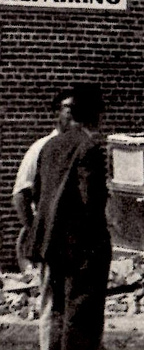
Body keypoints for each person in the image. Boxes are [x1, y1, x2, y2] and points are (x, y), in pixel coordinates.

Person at [30, 83, 111, 350]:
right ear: (91, 115)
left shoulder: (48, 147)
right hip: (81, 249)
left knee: (58, 313)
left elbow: (38, 193)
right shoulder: (89, 148)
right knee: (82, 317)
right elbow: (92, 202)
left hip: (51, 247)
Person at [12, 89, 75, 350]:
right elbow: (20, 194)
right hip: (54, 239)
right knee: (53, 301)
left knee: (77, 305)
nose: (74, 116)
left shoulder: (80, 147)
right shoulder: (41, 148)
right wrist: (35, 229)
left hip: (78, 239)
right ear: (57, 114)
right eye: (69, 109)